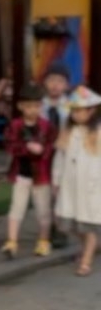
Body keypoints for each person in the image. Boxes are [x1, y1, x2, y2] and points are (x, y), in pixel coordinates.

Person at [1, 83, 56, 259]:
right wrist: (26, 147)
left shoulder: (47, 126)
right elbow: (9, 146)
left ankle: (43, 241)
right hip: (21, 173)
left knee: (43, 210)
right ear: (21, 106)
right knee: (16, 207)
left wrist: (42, 151)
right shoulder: (15, 125)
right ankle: (11, 241)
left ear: (41, 106)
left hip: (42, 175)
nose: (33, 110)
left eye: (37, 106)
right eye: (29, 106)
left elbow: (51, 148)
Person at [52, 86, 101, 276]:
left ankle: (86, 260)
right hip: (70, 184)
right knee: (73, 223)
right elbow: (60, 157)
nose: (76, 114)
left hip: (92, 185)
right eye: (73, 110)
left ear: (91, 110)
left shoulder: (98, 132)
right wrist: (56, 179)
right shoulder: (68, 131)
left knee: (88, 223)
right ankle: (88, 247)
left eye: (80, 110)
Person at [41, 61, 72, 248]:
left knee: (62, 192)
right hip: (43, 154)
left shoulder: (70, 106)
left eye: (60, 81)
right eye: (51, 80)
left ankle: (61, 229)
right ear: (45, 82)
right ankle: (48, 226)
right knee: (46, 192)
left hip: (63, 153)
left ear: (66, 85)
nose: (55, 85)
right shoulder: (38, 105)